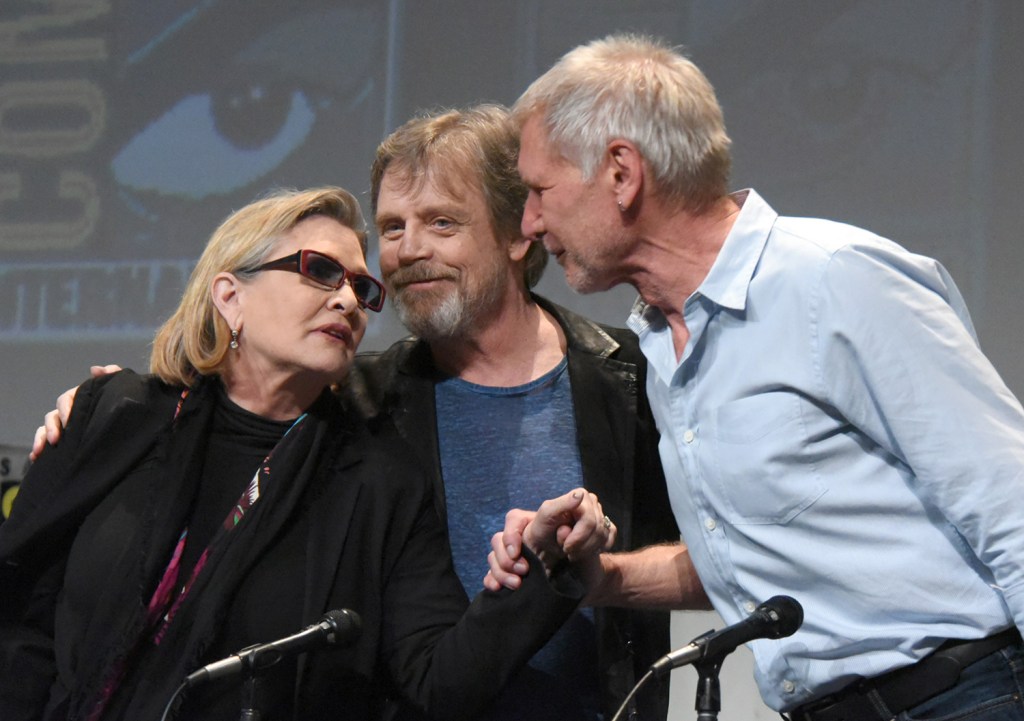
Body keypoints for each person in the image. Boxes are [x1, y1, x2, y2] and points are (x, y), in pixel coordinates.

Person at [30, 106, 707, 721]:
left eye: (441, 221)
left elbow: (730, 561)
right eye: (392, 227)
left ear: (518, 234)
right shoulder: (359, 402)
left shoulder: (629, 377)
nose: (408, 249)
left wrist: (584, 572)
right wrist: (101, 410)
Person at [490, 33, 1024, 720]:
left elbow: (1008, 501)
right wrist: (602, 576)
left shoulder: (834, 280)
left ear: (621, 172)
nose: (530, 222)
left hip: (962, 699)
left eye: (539, 190)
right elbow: (746, 554)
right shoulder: (661, 340)